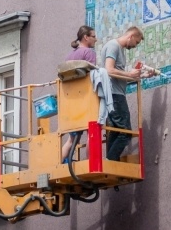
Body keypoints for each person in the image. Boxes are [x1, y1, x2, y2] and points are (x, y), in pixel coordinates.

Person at [100, 26, 152, 161]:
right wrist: (129, 73)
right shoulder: (114, 46)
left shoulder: (119, 49)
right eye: (137, 42)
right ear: (131, 36)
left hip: (114, 94)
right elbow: (109, 70)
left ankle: (111, 162)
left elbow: (120, 76)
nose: (135, 46)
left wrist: (143, 76)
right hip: (114, 95)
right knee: (126, 132)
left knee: (118, 132)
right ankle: (110, 161)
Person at [61, 25, 97, 163]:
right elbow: (93, 75)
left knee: (71, 138)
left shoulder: (70, 55)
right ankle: (91, 163)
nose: (96, 39)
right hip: (86, 99)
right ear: (86, 37)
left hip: (71, 101)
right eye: (93, 36)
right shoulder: (89, 53)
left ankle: (59, 162)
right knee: (91, 133)